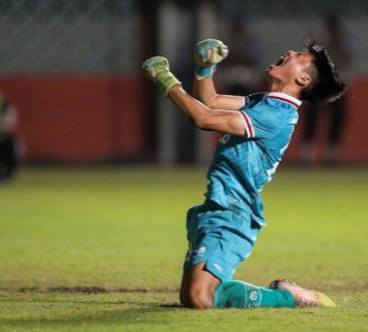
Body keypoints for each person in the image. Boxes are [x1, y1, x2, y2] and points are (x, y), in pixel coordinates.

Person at [142, 38, 346, 309]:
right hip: (218, 205)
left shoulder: (276, 114)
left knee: (199, 298)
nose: (289, 52)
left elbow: (203, 118)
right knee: (195, 296)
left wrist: (166, 79)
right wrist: (205, 68)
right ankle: (275, 293)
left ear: (302, 80)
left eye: (299, 56)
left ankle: (286, 296)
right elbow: (210, 100)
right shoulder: (265, 103)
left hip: (233, 212)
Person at [300, 13, 354, 165]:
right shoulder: (322, 40)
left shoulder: (344, 40)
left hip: (336, 82)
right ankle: (307, 154)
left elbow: (345, 58)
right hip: (319, 83)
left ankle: (332, 154)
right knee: (311, 118)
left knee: (337, 118)